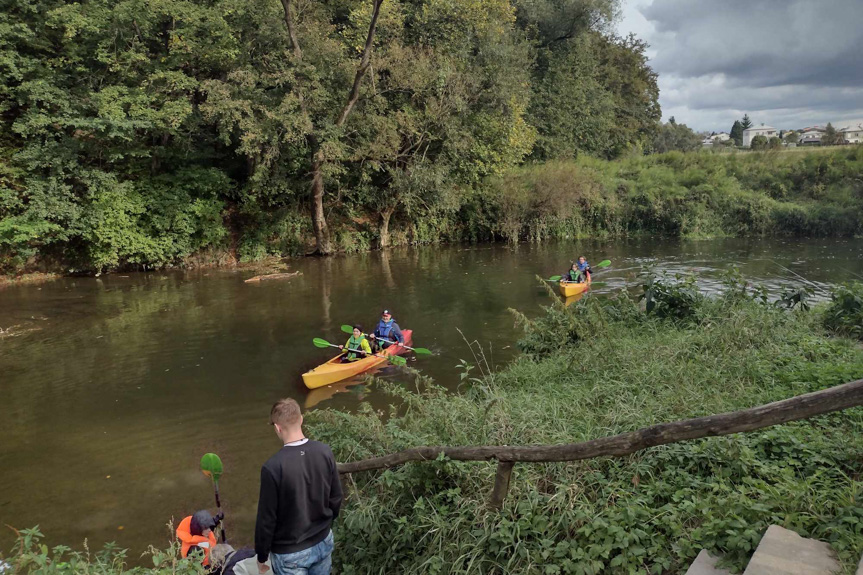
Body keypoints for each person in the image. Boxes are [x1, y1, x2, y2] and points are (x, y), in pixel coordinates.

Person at [255, 399, 343, 575]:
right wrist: (325, 524)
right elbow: (336, 497)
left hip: (289, 553)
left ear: (277, 428)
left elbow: (267, 519)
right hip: (323, 540)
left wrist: (261, 555)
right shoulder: (324, 451)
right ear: (301, 419)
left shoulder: (272, 467)